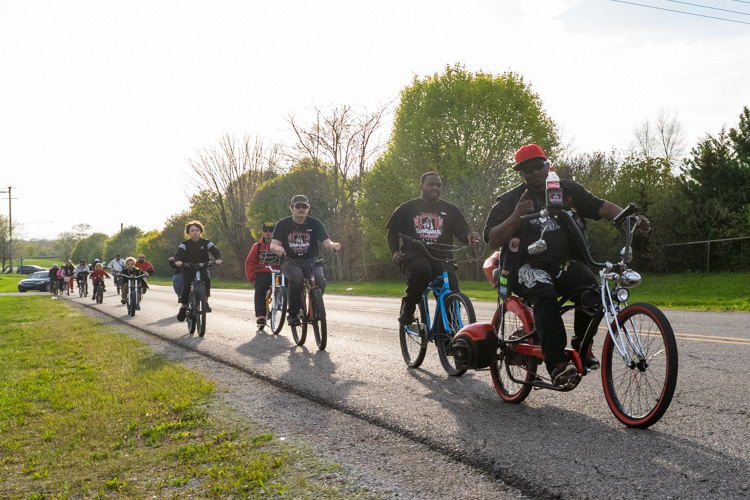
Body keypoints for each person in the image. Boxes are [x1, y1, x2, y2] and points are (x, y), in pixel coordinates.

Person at [483, 143, 651, 386]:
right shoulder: (509, 201)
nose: (534, 173)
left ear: (546, 164)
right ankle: (557, 364)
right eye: (527, 169)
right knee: (544, 293)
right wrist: (515, 216)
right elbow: (492, 239)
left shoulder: (567, 190)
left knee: (592, 291)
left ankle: (582, 345)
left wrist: (630, 218)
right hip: (525, 266)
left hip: (564, 264)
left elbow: (602, 207)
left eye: (538, 166)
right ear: (521, 173)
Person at [385, 172, 481, 325]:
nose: (435, 188)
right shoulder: (407, 208)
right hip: (413, 257)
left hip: (442, 259)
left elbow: (462, 231)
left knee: (451, 290)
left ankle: (450, 336)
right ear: (421, 186)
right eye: (431, 184)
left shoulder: (450, 210)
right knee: (422, 270)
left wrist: (469, 236)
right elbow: (392, 232)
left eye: (438, 185)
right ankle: (408, 309)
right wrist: (395, 251)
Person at [270, 195, 340, 326]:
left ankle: (315, 309)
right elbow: (273, 244)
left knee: (320, 280)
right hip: (290, 261)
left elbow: (326, 242)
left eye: (304, 206)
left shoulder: (315, 223)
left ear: (308, 209)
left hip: (310, 260)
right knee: (296, 278)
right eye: (297, 206)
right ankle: (293, 314)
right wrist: (277, 248)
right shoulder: (283, 224)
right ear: (292, 208)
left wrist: (332, 245)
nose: (301, 209)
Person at [174, 220, 223, 321]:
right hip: (188, 268)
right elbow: (178, 254)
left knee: (207, 281)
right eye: (192, 230)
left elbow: (216, 251)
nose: (195, 232)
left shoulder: (206, 243)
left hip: (202, 267)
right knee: (186, 288)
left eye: (197, 230)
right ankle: (183, 307)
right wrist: (178, 261)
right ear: (188, 233)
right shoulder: (185, 244)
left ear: (201, 232)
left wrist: (218, 258)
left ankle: (205, 302)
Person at [245, 222, 282, 328]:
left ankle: (282, 304)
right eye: (265, 231)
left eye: (270, 231)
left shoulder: (281, 245)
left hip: (278, 273)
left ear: (274, 233)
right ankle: (260, 316)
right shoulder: (257, 247)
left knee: (289, 285)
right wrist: (251, 279)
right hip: (262, 273)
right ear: (262, 232)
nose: (268, 233)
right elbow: (249, 263)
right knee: (260, 290)